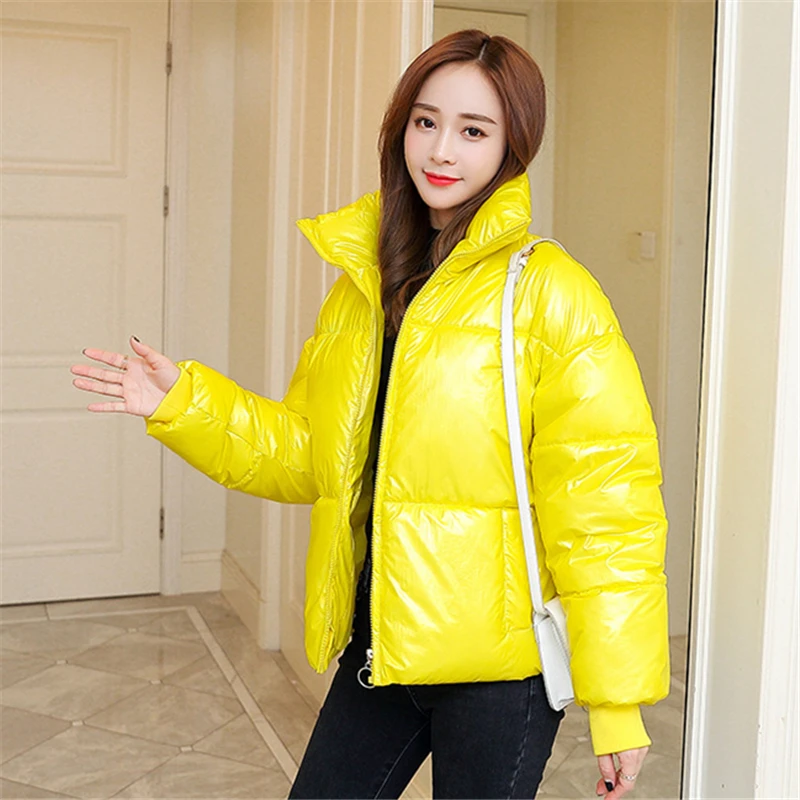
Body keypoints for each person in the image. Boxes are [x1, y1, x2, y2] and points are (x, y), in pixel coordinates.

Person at [72, 29, 669, 800]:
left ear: (513, 145)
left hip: (501, 675)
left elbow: (606, 504)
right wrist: (183, 402)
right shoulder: (367, 286)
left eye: (474, 130)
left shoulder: (551, 292)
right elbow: (310, 457)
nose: (441, 150)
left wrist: (618, 704)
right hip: (381, 645)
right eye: (426, 121)